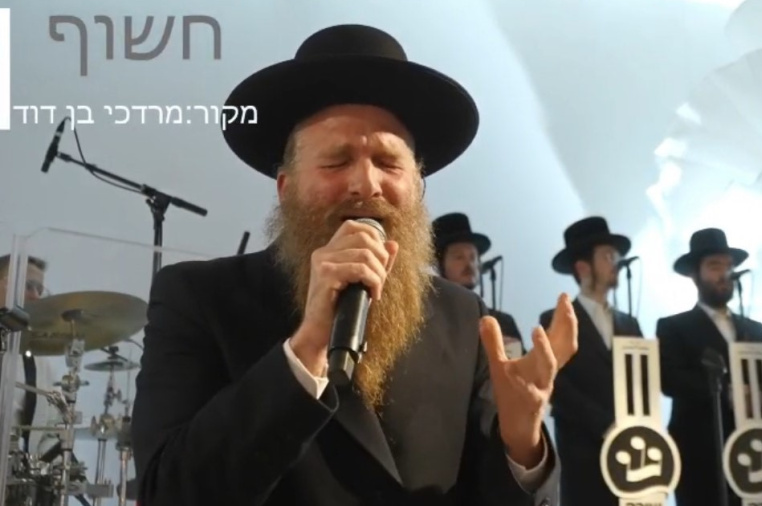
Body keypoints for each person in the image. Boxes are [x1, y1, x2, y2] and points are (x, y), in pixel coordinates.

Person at [131, 24, 577, 506]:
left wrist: (522, 445)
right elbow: (167, 492)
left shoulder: (463, 318)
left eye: (388, 163)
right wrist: (305, 350)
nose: (365, 184)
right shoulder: (200, 298)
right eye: (336, 161)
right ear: (286, 189)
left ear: (417, 188)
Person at [656, 228, 762, 506]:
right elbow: (670, 379)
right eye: (715, 266)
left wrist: (760, 395)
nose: (725, 274)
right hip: (701, 456)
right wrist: (727, 392)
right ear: (695, 275)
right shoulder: (675, 327)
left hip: (755, 454)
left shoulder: (753, 328)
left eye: (729, 267)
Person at [538, 216, 642, 506]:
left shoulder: (630, 324)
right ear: (583, 267)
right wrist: (605, 424)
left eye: (615, 256)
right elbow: (557, 384)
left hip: (633, 453)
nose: (615, 263)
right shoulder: (556, 319)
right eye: (607, 256)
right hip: (583, 455)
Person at [432, 212, 525, 358]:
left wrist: (513, 354)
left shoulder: (504, 321)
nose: (469, 264)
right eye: (459, 257)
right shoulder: (427, 318)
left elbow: (524, 367)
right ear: (440, 265)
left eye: (473, 257)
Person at [0, 254, 60, 457]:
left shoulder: (38, 360)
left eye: (40, 290)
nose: (35, 296)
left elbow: (47, 434)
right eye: (28, 286)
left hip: (14, 471)